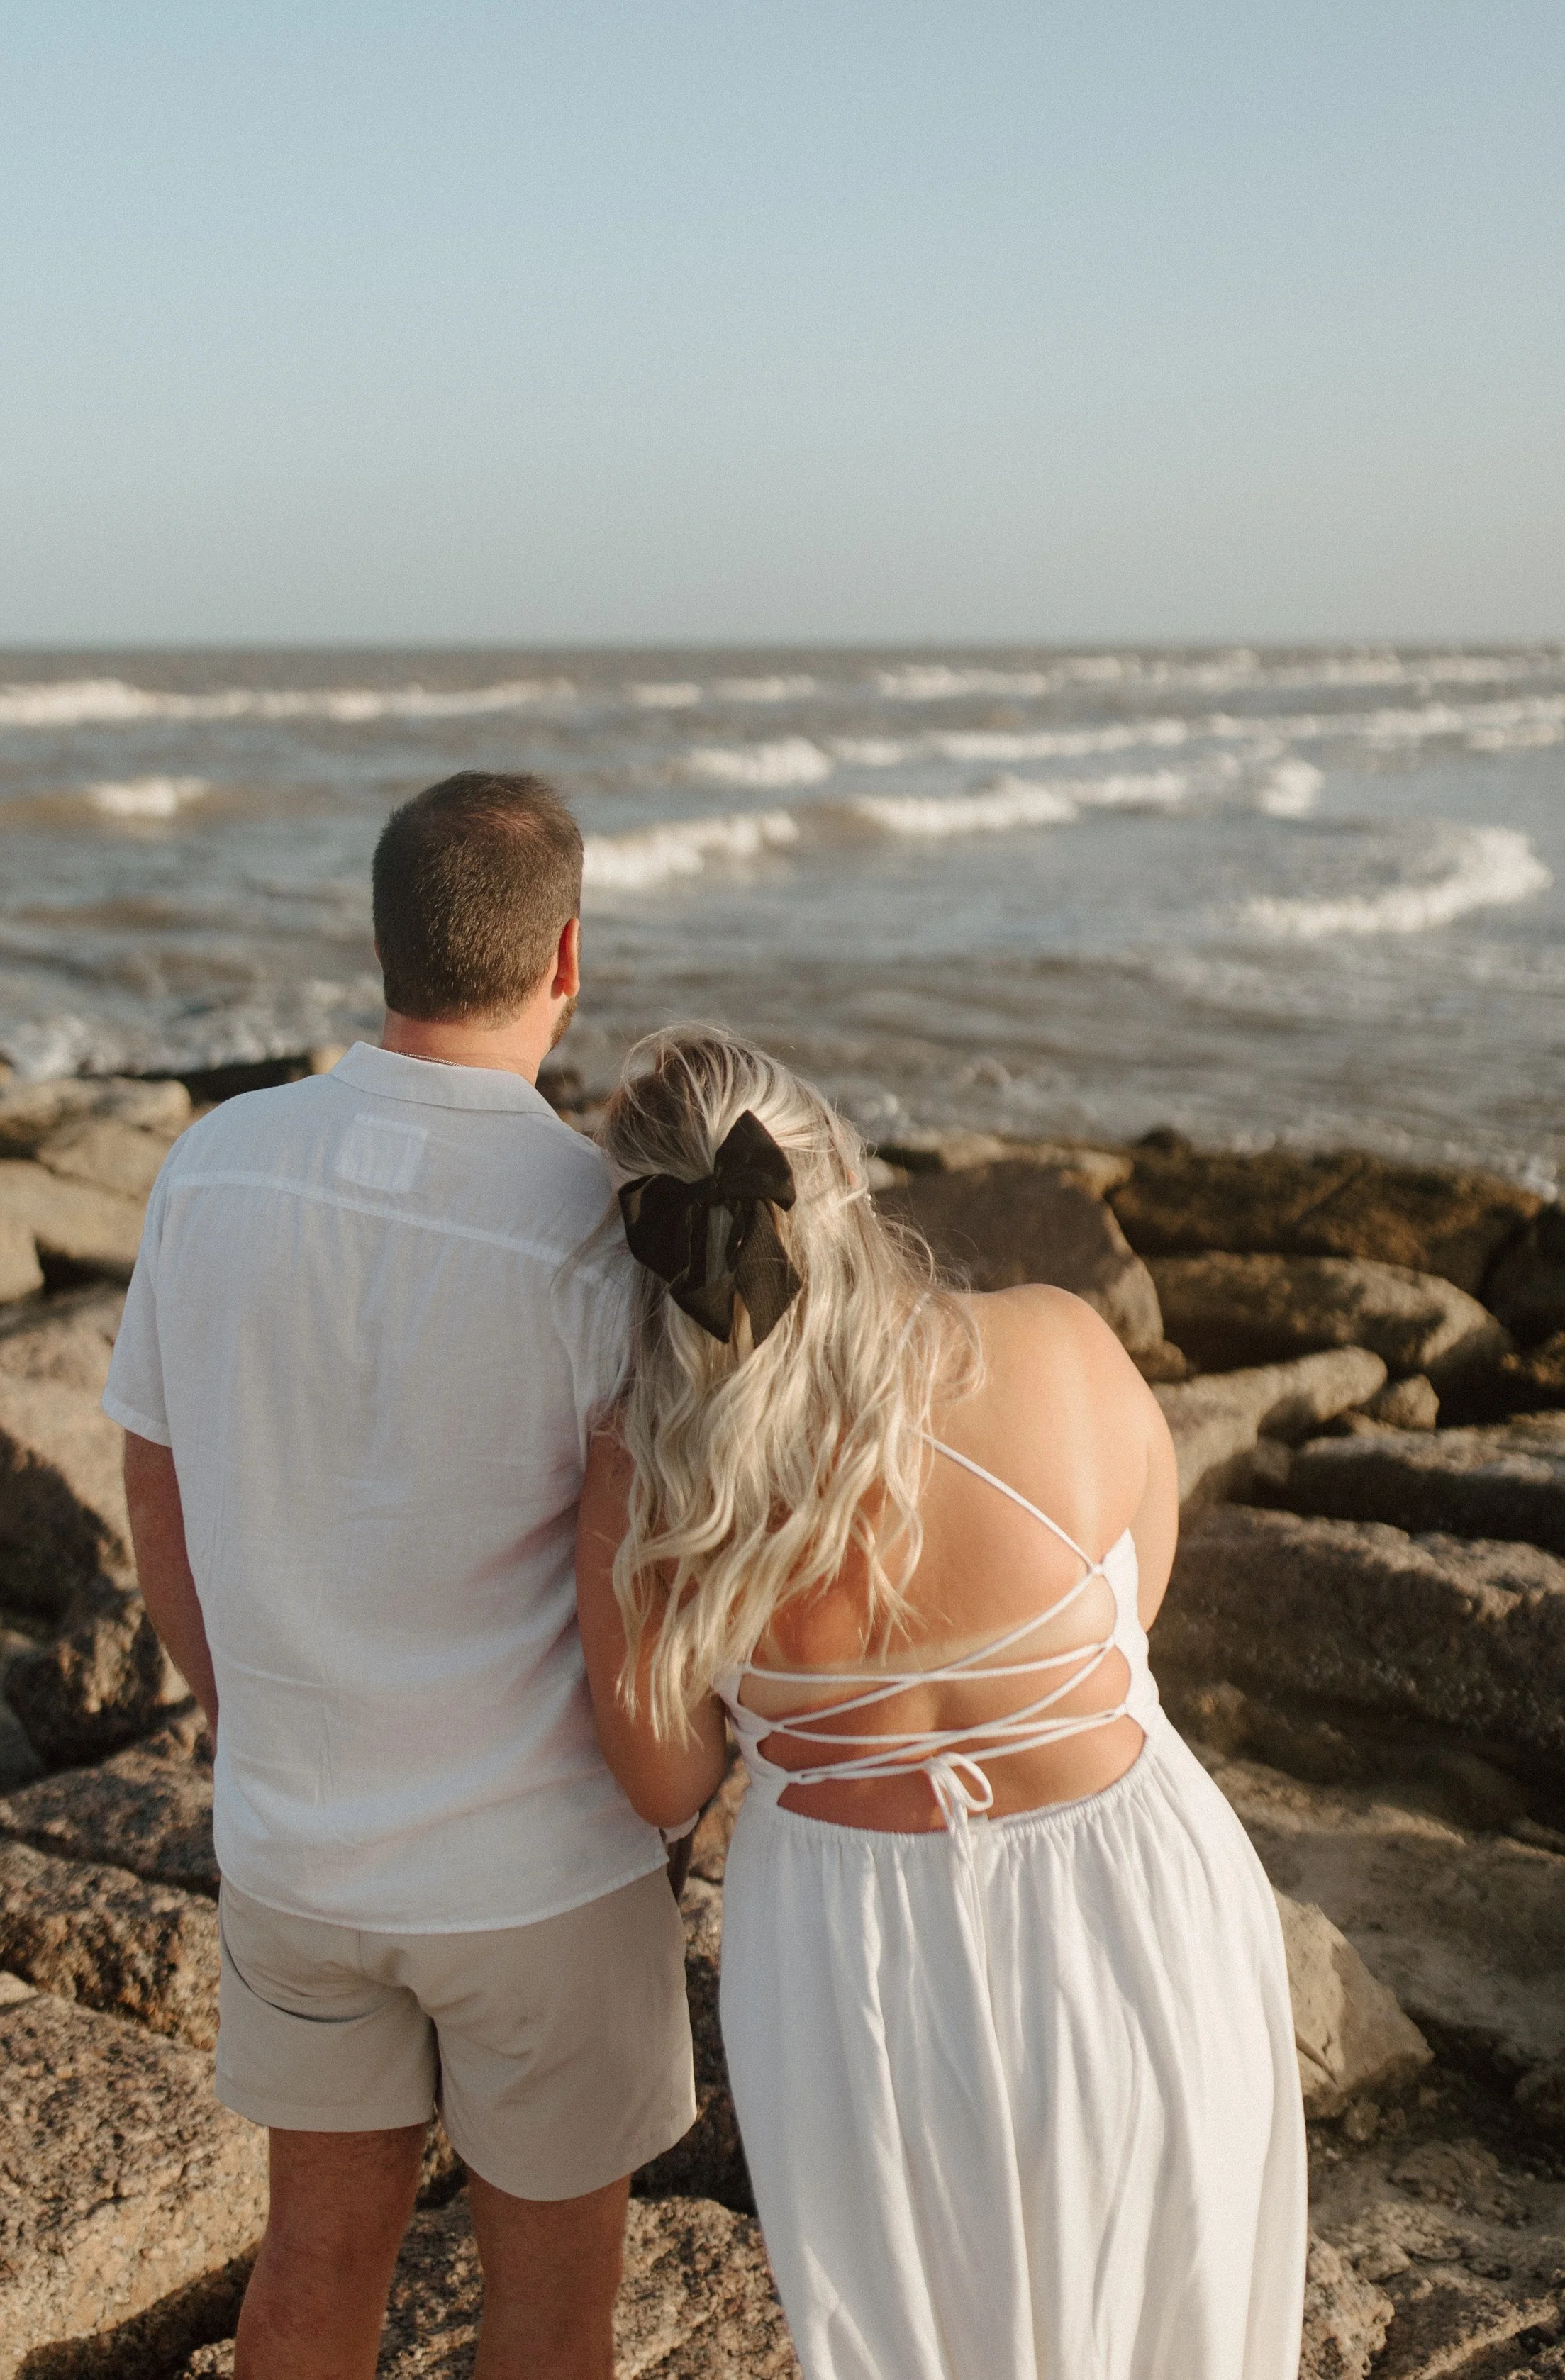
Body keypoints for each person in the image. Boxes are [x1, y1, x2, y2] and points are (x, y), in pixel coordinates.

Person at [577, 1025, 1306, 2380]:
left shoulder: (647, 1477)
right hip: (1134, 1901)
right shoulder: (1058, 1342)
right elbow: (1129, 1611)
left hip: (857, 1959)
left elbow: (665, 1786)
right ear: (842, 1176)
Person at [105, 772, 695, 2380]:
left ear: (381, 944)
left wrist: (244, 1715)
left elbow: (155, 1482)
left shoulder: (212, 1166)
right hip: (540, 1875)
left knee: (308, 2270)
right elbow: (638, 1575)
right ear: (565, 958)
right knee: (551, 2316)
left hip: (298, 1846)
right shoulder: (598, 1227)